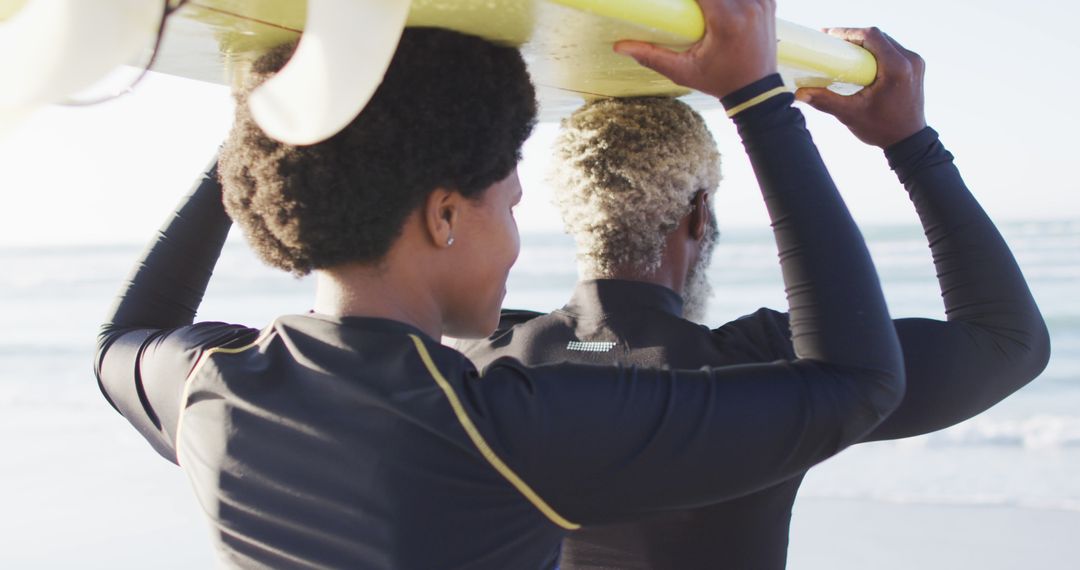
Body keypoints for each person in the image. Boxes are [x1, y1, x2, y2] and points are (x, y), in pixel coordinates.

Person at [94, 2, 907, 568]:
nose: (517, 241)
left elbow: (118, 342)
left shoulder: (210, 386)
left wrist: (264, 128)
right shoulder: (503, 430)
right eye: (511, 205)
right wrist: (759, 100)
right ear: (445, 214)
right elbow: (859, 384)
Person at [457, 27, 1051, 570]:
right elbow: (1009, 341)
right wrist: (912, 145)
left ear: (574, 213)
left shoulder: (477, 362)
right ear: (698, 216)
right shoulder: (769, 368)